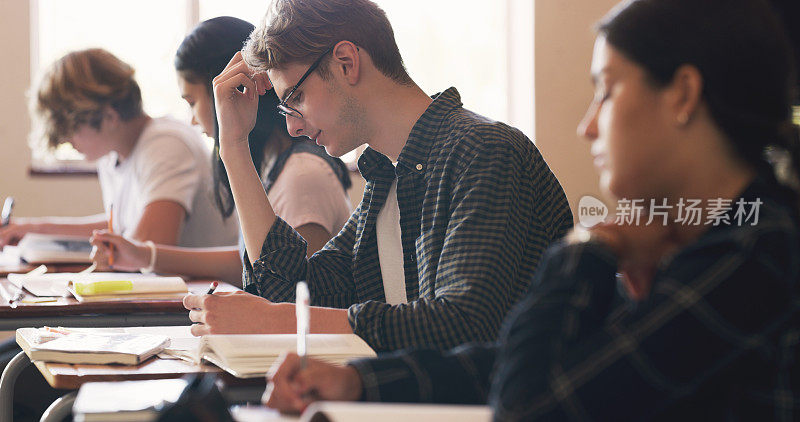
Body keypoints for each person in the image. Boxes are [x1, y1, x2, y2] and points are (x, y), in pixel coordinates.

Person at [262, 0, 800, 419]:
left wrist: (592, 244)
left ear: (682, 94)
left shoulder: (754, 249)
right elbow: (544, 362)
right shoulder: (708, 233)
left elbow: (529, 403)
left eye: (606, 91)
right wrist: (358, 383)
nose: (587, 125)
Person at [182, 0, 572, 351]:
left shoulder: (484, 151)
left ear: (346, 62)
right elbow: (296, 292)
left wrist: (277, 321)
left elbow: (463, 325)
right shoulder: (387, 178)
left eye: (295, 99)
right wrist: (233, 145)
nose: (293, 129)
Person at [89, 17, 353, 283]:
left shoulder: (302, 175)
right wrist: (146, 256)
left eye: (192, 102)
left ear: (236, 89)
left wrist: (148, 255)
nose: (192, 119)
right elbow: (254, 261)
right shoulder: (276, 166)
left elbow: (292, 290)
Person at [0, 48, 239, 249]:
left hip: (201, 295)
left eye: (70, 128)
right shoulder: (114, 155)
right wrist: (29, 229)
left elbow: (148, 247)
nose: (66, 140)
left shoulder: (166, 144)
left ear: (109, 117)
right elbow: (123, 228)